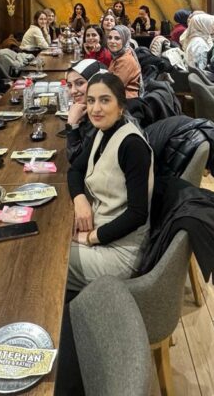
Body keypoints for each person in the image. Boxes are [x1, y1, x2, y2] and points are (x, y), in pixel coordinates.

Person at [67, 72, 154, 291]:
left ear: (121, 106)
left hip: (120, 252)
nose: (95, 108)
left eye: (104, 100)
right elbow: (75, 169)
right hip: (101, 231)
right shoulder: (103, 131)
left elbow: (137, 214)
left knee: (49, 259)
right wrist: (80, 199)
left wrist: (91, 237)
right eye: (91, 101)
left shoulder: (132, 146)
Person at [63, 59, 106, 161]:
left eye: (80, 83)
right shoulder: (88, 108)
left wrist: (72, 125)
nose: (73, 91)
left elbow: (78, 161)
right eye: (70, 85)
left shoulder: (102, 116)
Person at [106, 25, 141, 98]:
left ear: (125, 40)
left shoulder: (126, 60)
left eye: (117, 38)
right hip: (116, 97)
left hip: (126, 100)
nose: (112, 41)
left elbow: (114, 88)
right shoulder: (118, 55)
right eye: (110, 38)